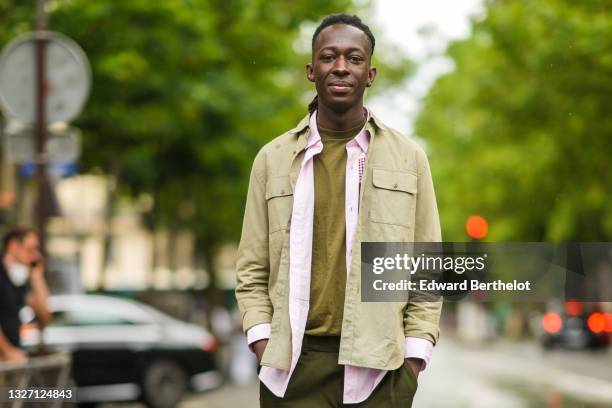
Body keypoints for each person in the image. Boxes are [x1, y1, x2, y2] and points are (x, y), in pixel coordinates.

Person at [235, 13, 442, 407]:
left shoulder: (408, 159)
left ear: (371, 73)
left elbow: (426, 265)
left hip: (381, 367)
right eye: (329, 57)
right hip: (293, 366)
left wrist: (414, 357)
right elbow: (251, 266)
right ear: (312, 71)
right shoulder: (272, 159)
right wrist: (262, 340)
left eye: (354, 58)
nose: (341, 67)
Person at [0, 227, 51, 362]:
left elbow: (44, 315)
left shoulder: (20, 279)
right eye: (30, 250)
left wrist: (37, 278)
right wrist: (7, 351)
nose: (35, 256)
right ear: (13, 246)